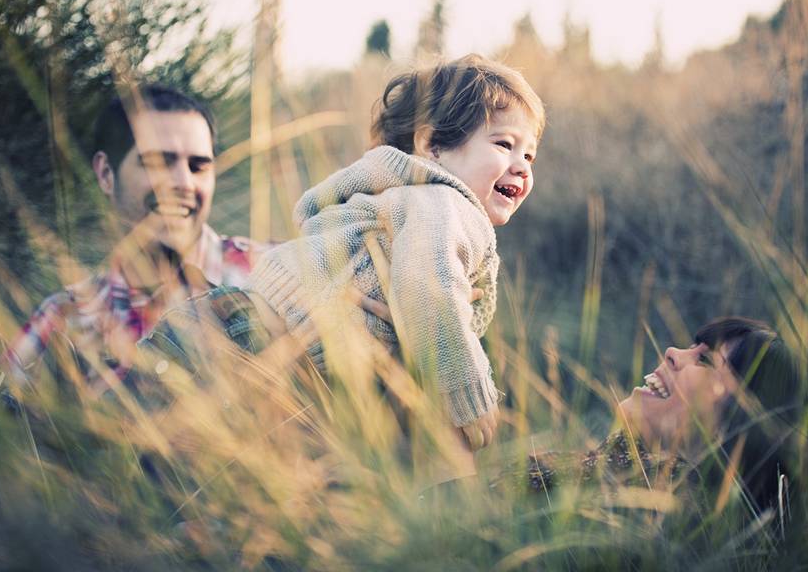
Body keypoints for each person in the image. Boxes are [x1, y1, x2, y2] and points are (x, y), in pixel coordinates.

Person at [141, 54, 545, 456]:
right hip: (257, 346)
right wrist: (466, 394)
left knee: (141, 450)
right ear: (432, 145)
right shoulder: (444, 201)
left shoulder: (387, 197)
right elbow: (428, 286)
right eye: (504, 145)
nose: (522, 167)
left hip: (229, 321)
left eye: (529, 155)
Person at [0, 85, 267, 398]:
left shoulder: (270, 272)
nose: (184, 183)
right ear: (105, 173)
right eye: (159, 162)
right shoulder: (64, 319)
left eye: (198, 166)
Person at [514, 317, 799, 511]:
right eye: (691, 347)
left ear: (741, 419)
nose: (673, 352)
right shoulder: (606, 470)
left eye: (708, 360)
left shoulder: (643, 502)